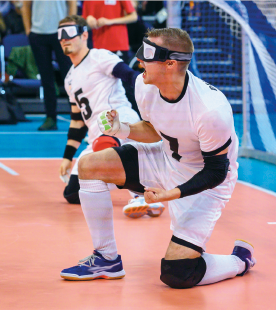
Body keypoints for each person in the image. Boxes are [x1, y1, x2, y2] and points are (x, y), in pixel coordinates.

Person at [60, 28, 256, 289]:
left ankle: (240, 259)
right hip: (165, 159)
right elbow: (156, 129)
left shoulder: (211, 110)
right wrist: (122, 129)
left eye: (147, 53)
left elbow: (216, 171)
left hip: (205, 184)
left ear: (171, 63)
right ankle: (106, 258)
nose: (139, 59)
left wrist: (170, 194)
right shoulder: (144, 85)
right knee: (89, 165)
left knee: (178, 273)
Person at [57, 15, 164, 218]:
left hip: (118, 122)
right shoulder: (69, 78)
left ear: (84, 35)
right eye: (60, 34)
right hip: (95, 136)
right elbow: (77, 121)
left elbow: (128, 75)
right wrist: (67, 157)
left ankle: (141, 194)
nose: (64, 38)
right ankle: (148, 186)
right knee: (72, 193)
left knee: (107, 147)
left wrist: (151, 89)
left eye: (69, 33)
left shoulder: (99, 57)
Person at [22, 0, 76, 131]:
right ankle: (50, 117)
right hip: (38, 34)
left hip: (62, 33)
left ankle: (77, 117)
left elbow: (72, 3)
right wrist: (29, 30)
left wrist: (70, 27)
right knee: (46, 78)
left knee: (70, 77)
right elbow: (25, 6)